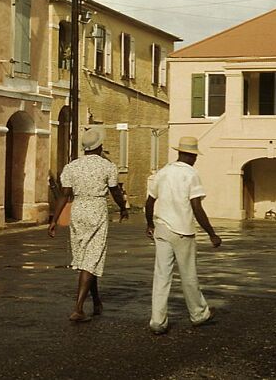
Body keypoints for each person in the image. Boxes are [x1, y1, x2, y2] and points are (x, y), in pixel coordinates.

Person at [49, 128, 128, 322]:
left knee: (87, 258)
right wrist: (123, 207)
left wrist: (54, 220)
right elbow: (115, 191)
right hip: (97, 209)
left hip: (78, 210)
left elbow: (64, 194)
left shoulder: (71, 167)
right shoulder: (107, 166)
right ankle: (78, 308)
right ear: (99, 146)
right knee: (92, 258)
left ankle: (96, 301)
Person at [145, 136, 222, 335]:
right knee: (188, 275)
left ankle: (157, 321)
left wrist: (149, 224)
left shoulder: (163, 171)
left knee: (162, 276)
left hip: (162, 228)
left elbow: (150, 201)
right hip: (182, 230)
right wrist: (212, 233)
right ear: (192, 155)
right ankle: (198, 314)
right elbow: (196, 206)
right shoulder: (191, 174)